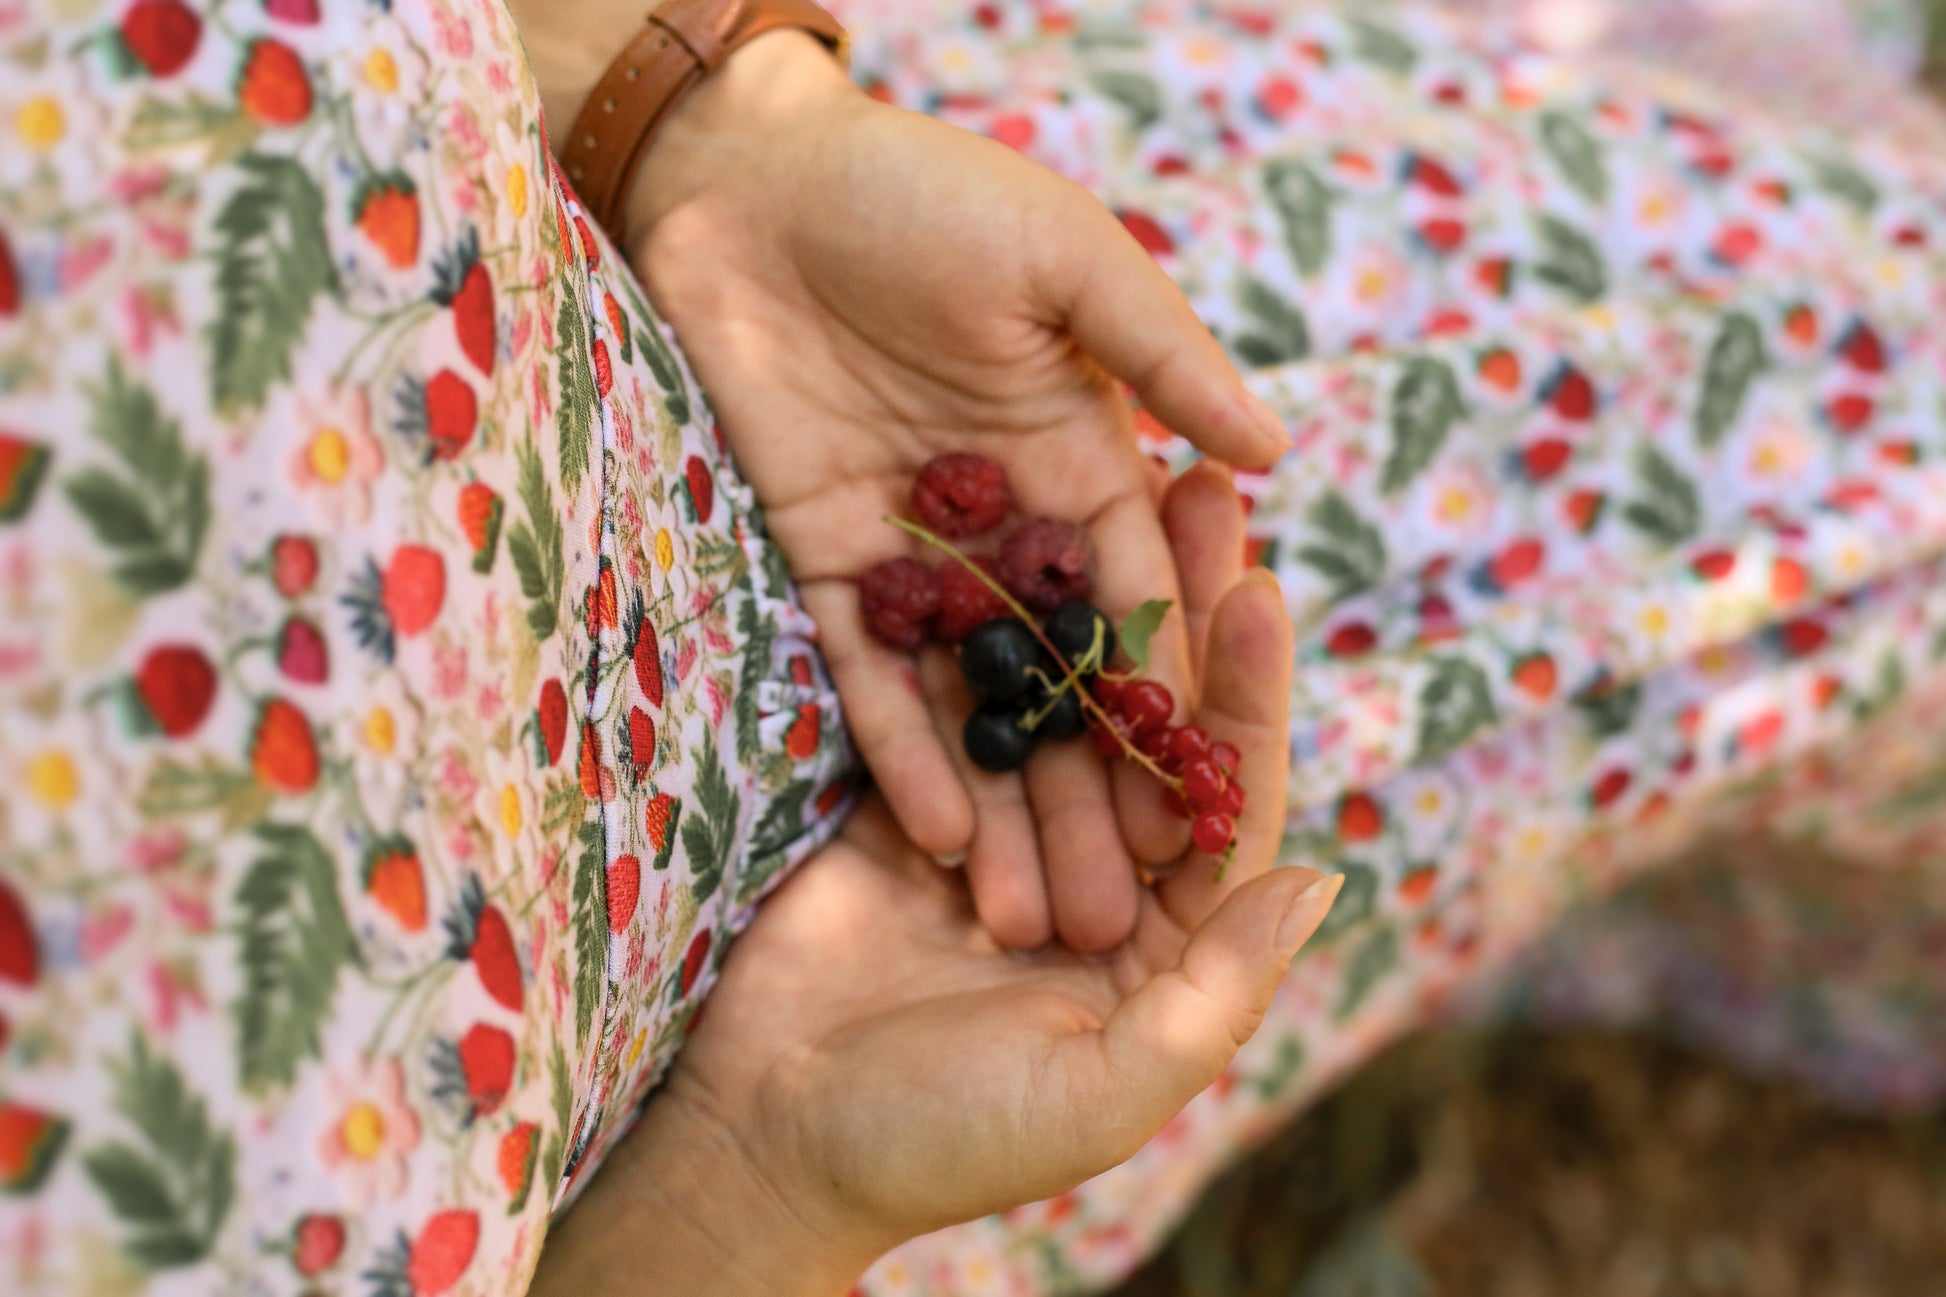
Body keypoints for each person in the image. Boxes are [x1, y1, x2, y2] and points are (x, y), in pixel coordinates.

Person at [5, 0, 1946, 1293]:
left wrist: (700, 113)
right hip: (870, 1025)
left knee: (1819, 395)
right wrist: (765, 1189)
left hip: (864, 316)